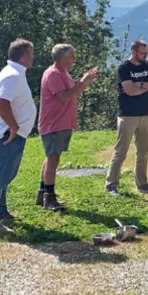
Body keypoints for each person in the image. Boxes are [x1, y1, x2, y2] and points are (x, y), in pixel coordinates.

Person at [0, 38, 37, 235]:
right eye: (32, 54)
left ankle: (1, 210)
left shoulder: (14, 73)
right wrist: (13, 126)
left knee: (7, 175)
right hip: (7, 136)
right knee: (0, 177)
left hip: (11, 134)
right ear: (23, 56)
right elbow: (2, 103)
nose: (33, 58)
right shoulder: (13, 76)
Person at [37, 44, 99, 211]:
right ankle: (49, 198)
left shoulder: (62, 72)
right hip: (53, 124)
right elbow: (64, 97)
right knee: (53, 159)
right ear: (61, 58)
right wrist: (84, 81)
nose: (74, 59)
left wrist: (83, 83)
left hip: (59, 123)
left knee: (51, 157)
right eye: (72, 56)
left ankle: (42, 192)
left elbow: (70, 92)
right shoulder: (53, 74)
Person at [106, 39, 148, 196]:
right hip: (127, 115)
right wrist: (145, 85)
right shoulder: (124, 68)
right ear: (134, 52)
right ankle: (111, 184)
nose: (145, 56)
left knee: (143, 151)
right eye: (142, 53)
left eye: (147, 53)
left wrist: (140, 85)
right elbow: (129, 90)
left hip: (145, 114)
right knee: (121, 151)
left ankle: (142, 183)